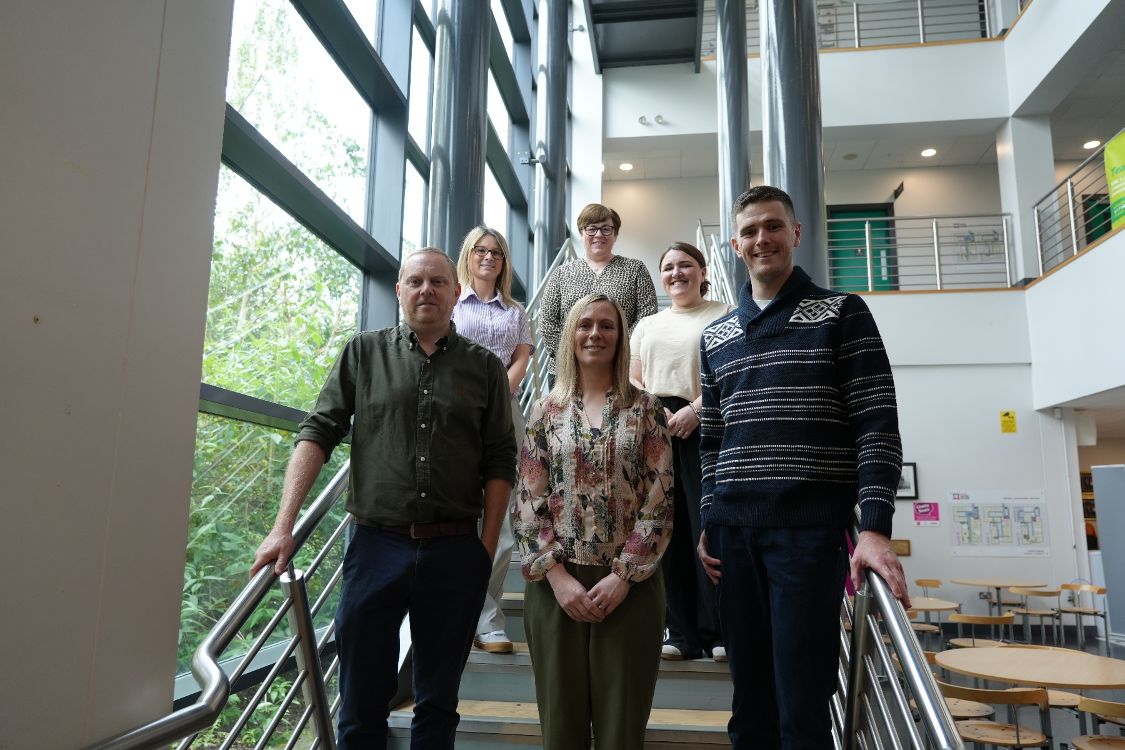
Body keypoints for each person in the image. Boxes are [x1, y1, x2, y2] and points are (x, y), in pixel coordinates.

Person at [250, 248, 516, 749]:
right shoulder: (363, 353)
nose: (426, 290)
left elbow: (501, 460)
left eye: (438, 282)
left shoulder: (483, 368)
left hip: (455, 549)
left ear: (455, 293)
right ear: (399, 291)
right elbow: (319, 431)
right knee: (360, 703)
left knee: (437, 704)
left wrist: (484, 549)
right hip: (375, 547)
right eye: (414, 281)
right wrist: (283, 526)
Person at [696, 186, 910, 750]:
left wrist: (874, 527)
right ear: (735, 245)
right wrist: (709, 518)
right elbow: (711, 441)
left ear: (796, 233)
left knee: (803, 704)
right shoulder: (715, 335)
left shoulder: (842, 312)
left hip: (808, 535)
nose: (760, 239)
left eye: (772, 226)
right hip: (733, 539)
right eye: (748, 231)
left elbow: (876, 422)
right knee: (749, 708)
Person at [514, 293, 674, 750]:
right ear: (569, 335)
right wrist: (559, 578)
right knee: (561, 730)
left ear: (621, 336)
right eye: (585, 324)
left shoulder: (646, 409)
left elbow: (661, 500)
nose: (595, 334)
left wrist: (624, 576)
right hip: (555, 587)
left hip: (631, 588)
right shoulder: (546, 412)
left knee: (620, 732)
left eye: (606, 325)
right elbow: (528, 498)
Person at [629, 241, 735, 662]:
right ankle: (680, 632)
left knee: (708, 526)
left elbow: (733, 375)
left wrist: (696, 410)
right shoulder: (647, 325)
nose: (677, 273)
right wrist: (656, 412)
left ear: (703, 271)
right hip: (657, 427)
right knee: (665, 529)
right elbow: (633, 379)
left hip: (708, 423)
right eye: (668, 266)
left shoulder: (725, 314)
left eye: (685, 265)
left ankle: (718, 631)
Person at [451, 225, 534, 654]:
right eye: (481, 251)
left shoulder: (516, 312)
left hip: (504, 416)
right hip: (456, 417)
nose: (489, 257)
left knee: (502, 523)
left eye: (497, 253)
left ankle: (487, 618)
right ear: (468, 255)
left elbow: (521, 358)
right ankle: (458, 611)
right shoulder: (450, 303)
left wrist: (494, 393)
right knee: (460, 513)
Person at [538, 203, 658, 382]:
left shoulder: (635, 269)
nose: (599, 235)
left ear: (615, 234)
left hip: (620, 369)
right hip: (568, 372)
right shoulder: (561, 273)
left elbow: (646, 316)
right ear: (581, 233)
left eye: (606, 229)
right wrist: (572, 354)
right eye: (592, 229)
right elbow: (547, 321)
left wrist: (618, 350)